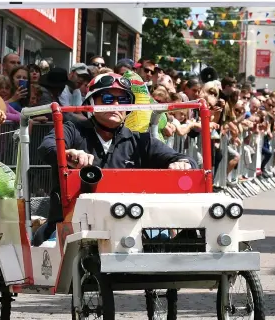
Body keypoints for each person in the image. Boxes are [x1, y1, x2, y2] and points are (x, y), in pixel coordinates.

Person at [33, 72, 197, 246]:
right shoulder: (73, 129)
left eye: (123, 100)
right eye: (107, 99)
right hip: (70, 227)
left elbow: (185, 160)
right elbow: (46, 148)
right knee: (49, 244)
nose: (116, 105)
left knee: (170, 240)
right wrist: (68, 154)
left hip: (128, 229)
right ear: (91, 103)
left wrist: (183, 164)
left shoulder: (140, 140)